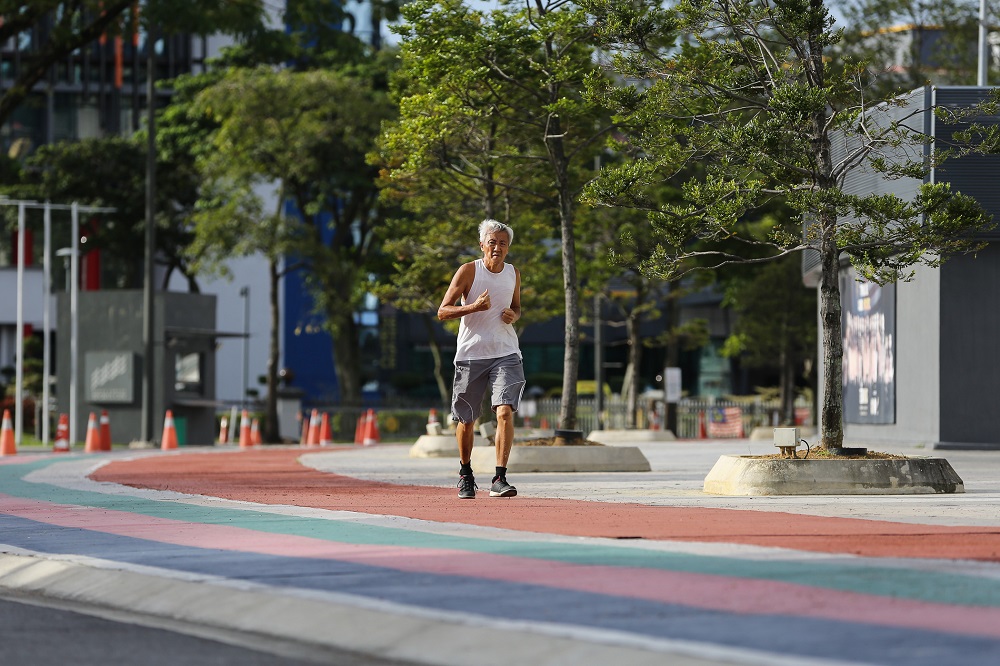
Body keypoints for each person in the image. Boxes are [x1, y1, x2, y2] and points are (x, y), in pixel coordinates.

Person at [438, 219, 524, 499]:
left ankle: (500, 478)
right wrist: (473, 307)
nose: (497, 247)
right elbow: (443, 311)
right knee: (466, 420)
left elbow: (517, 307)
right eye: (492, 242)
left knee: (504, 412)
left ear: (508, 247)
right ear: (482, 245)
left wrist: (515, 315)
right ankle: (466, 473)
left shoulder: (513, 274)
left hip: (506, 352)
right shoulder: (468, 271)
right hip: (471, 354)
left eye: (502, 243)